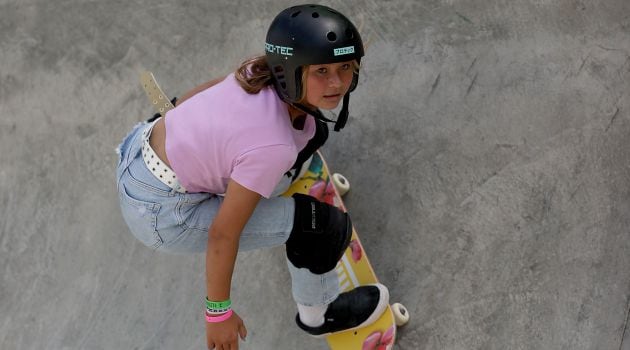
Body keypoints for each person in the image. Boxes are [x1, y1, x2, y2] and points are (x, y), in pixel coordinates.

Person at [115, 4, 388, 349]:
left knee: (312, 129)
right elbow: (222, 234)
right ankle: (319, 314)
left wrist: (184, 128)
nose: (336, 84)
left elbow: (203, 94)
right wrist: (218, 314)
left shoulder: (257, 69)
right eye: (321, 71)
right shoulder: (272, 145)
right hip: (165, 215)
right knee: (322, 228)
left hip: (141, 149)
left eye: (345, 67)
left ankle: (264, 181)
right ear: (290, 72)